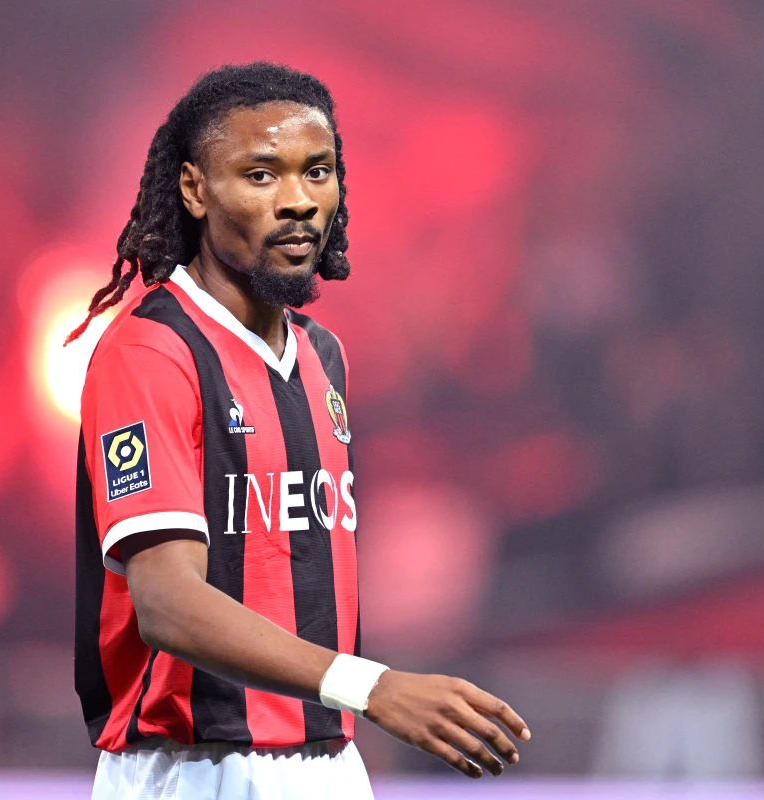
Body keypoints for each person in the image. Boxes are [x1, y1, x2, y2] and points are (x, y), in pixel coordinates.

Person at [69, 63, 530, 799]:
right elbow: (165, 601)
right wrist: (372, 686)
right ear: (194, 189)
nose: (298, 203)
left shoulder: (322, 356)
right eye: (260, 175)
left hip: (328, 759)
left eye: (317, 172)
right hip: (196, 768)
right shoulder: (151, 351)